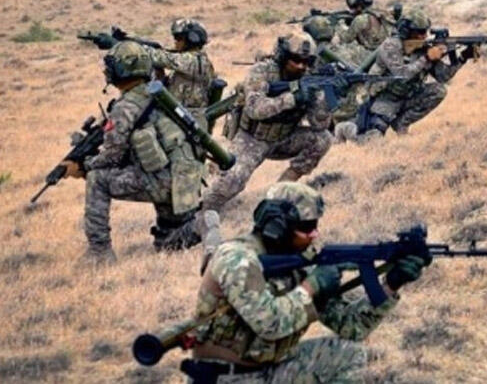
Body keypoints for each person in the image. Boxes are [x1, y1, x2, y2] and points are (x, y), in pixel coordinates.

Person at [184, 182, 427, 383]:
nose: (315, 234)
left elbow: (352, 327)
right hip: (225, 377)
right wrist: (311, 287)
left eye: (316, 226)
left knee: (347, 354)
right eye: (307, 227)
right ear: (277, 227)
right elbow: (269, 324)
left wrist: (392, 285)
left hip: (270, 370)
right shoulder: (237, 259)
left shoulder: (301, 263)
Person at [62, 41, 211, 263]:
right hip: (186, 179)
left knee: (97, 179)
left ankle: (99, 253)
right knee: (168, 244)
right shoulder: (160, 93)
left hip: (165, 180)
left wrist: (83, 167)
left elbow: (111, 157)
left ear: (121, 71)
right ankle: (197, 227)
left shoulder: (126, 107)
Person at [197, 33, 333, 218]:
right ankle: (199, 214)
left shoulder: (310, 77)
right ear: (284, 57)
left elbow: (319, 124)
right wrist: (291, 99)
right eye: (296, 60)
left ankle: (280, 193)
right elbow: (255, 109)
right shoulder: (262, 72)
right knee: (232, 182)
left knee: (323, 139)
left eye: (306, 62)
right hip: (252, 139)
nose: (301, 66)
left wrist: (326, 97)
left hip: (284, 138)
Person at [361, 7, 478, 136]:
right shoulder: (391, 46)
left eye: (425, 31)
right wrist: (427, 58)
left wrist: (462, 58)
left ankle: (401, 123)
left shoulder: (422, 48)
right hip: (386, 99)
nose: (425, 36)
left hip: (409, 96)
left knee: (438, 91)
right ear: (407, 31)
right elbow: (401, 74)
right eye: (420, 32)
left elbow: (443, 77)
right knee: (373, 136)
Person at [143, 18, 218, 120]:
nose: (175, 42)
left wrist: (139, 48)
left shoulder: (192, 60)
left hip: (187, 117)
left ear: (191, 40)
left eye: (178, 38)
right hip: (188, 116)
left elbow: (158, 57)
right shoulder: (202, 60)